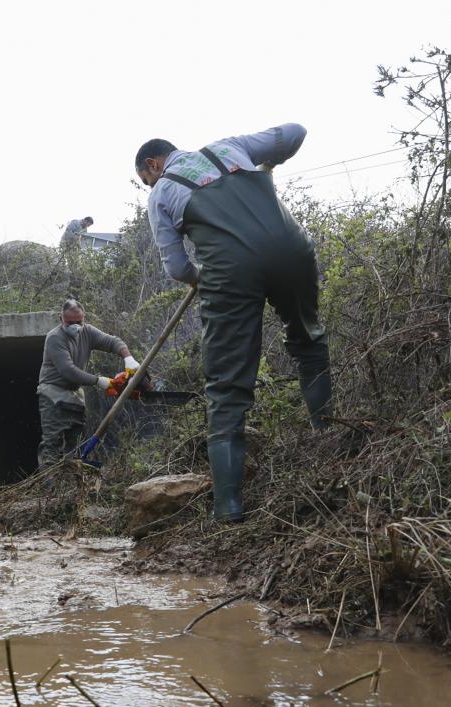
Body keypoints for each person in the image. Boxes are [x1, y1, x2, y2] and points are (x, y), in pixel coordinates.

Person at [134, 124, 332, 522]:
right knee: (308, 343)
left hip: (230, 275)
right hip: (292, 252)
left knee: (226, 389)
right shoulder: (230, 147)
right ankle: (331, 446)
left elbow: (175, 267)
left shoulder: (161, 194)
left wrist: (202, 276)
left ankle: (228, 508)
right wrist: (267, 160)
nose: (148, 185)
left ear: (154, 164)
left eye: (145, 178)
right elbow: (295, 132)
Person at [37, 299, 139, 467]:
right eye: (70, 323)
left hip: (75, 394)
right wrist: (98, 381)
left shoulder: (87, 332)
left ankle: (69, 486)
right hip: (52, 394)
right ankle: (50, 488)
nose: (76, 326)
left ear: (84, 318)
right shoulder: (54, 338)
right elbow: (68, 371)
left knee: (74, 445)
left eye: (79, 322)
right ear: (61, 318)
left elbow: (112, 341)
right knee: (52, 445)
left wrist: (128, 358)